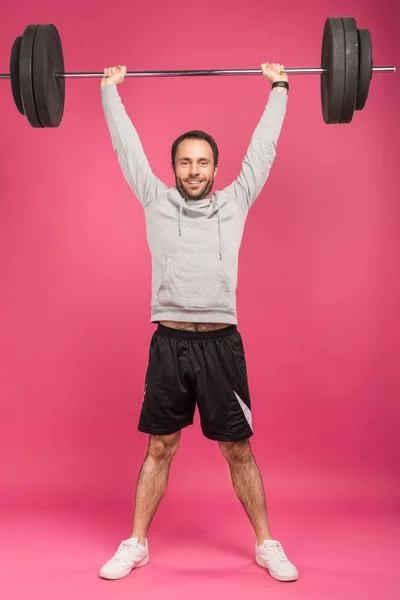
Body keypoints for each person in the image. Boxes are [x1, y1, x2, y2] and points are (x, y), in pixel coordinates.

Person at [98, 62, 298, 583]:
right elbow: (127, 150)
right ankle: (136, 543)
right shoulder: (154, 200)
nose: (193, 170)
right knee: (159, 447)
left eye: (202, 162)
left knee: (238, 448)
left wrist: (279, 88)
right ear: (173, 168)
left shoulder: (235, 202)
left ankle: (267, 544)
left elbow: (264, 151)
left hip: (220, 345)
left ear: (215, 167)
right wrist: (109, 92)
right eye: (184, 162)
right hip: (168, 345)